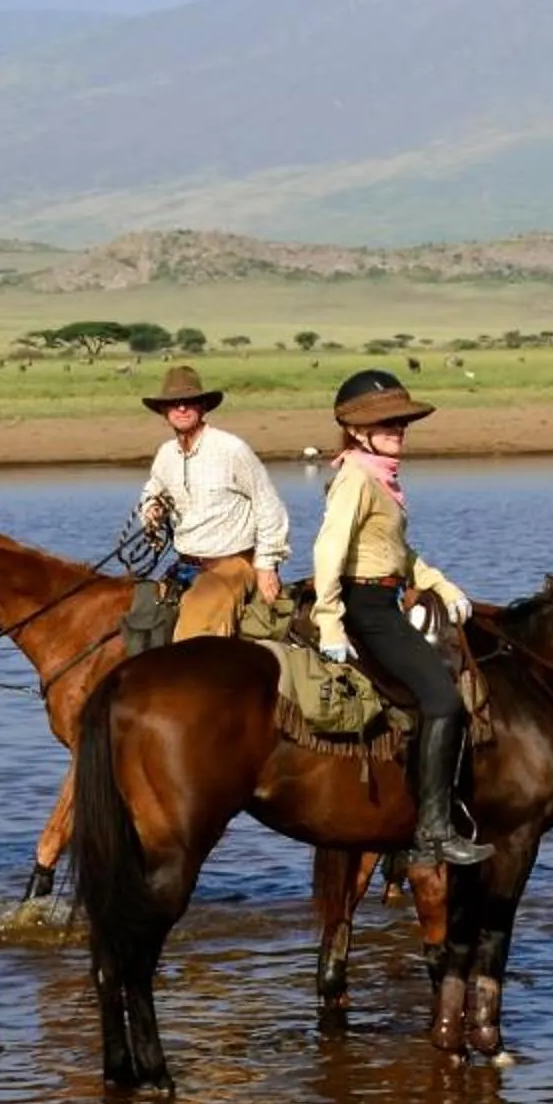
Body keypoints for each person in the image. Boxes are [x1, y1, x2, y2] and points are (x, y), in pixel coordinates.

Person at [310, 370, 488, 868]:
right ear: (357, 431)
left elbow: (398, 552)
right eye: (387, 423)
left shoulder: (380, 479)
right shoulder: (355, 478)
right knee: (444, 701)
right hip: (366, 608)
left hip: (385, 599)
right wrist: (329, 619)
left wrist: (440, 584)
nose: (398, 430)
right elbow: (329, 548)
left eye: (401, 422)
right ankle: (433, 830)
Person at [136, 364, 288, 640]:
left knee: (193, 633)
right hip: (185, 564)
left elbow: (269, 506)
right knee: (143, 620)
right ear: (164, 411)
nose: (182, 408)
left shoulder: (231, 449)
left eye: (189, 402)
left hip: (233, 563)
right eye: (174, 403)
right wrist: (151, 511)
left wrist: (266, 566)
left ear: (203, 406)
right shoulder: (166, 454)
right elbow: (152, 490)